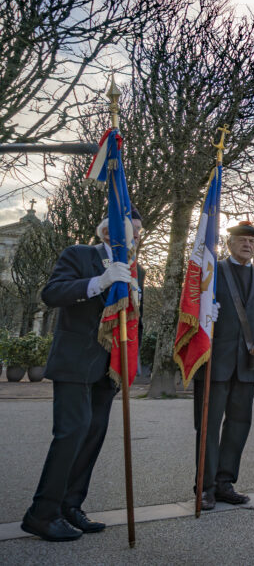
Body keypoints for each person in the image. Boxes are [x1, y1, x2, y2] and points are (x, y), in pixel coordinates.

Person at [21, 211, 145, 541]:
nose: (128, 238)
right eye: (123, 231)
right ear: (105, 231)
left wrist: (131, 363)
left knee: (92, 438)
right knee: (71, 435)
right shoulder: (79, 254)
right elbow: (52, 294)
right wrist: (99, 283)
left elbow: (135, 320)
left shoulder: (136, 270)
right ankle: (42, 512)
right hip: (75, 361)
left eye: (134, 234)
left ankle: (70, 506)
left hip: (110, 367)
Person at [193, 220, 254, 510]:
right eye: (242, 239)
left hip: (248, 363)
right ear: (229, 243)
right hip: (214, 361)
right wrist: (204, 312)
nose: (247, 245)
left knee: (239, 425)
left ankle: (225, 482)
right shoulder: (211, 270)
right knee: (208, 425)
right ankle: (204, 487)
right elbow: (191, 305)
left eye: (253, 241)